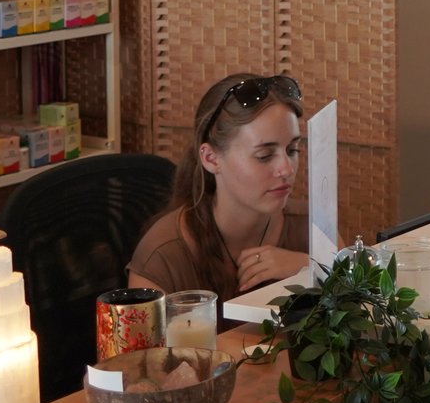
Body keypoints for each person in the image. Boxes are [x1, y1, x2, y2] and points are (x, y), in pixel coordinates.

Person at [128, 72, 314, 302]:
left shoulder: (313, 226)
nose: (287, 169)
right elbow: (141, 339)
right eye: (264, 155)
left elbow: (357, 324)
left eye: (292, 150)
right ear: (211, 159)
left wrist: (313, 268)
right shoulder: (163, 255)